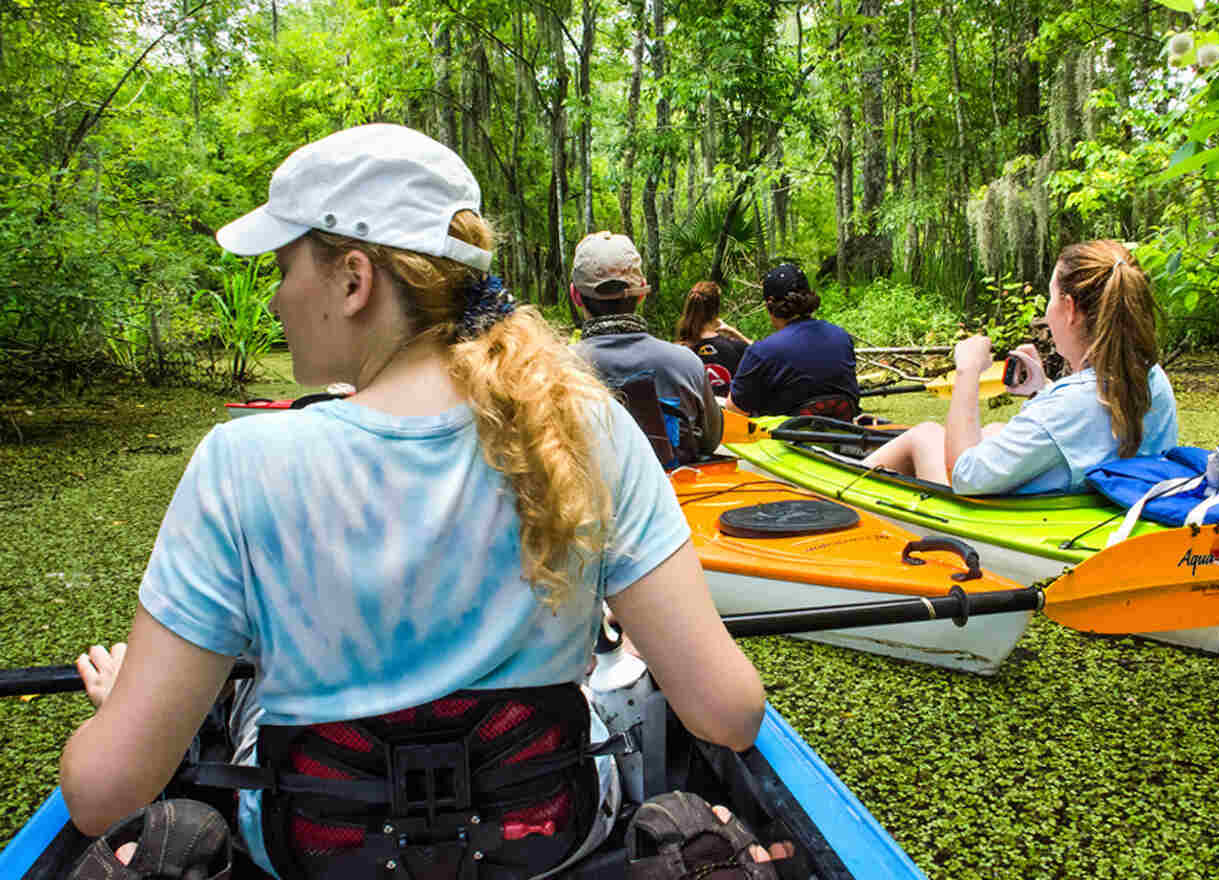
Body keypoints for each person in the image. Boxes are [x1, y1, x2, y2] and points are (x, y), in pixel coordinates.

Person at [58, 124, 768, 879]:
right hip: (548, 840)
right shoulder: (585, 429)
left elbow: (102, 796)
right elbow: (728, 713)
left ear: (352, 279)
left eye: (282, 268)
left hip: (313, 853)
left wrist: (120, 710)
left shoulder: (238, 465)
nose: (272, 301)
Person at [860, 239, 1179, 494]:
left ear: (1069, 309)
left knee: (925, 434)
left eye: (1050, 298)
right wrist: (1044, 390)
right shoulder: (1151, 377)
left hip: (1004, 523)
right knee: (995, 430)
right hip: (1093, 508)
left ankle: (838, 491)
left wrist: (967, 373)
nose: (1047, 311)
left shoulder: (1066, 408)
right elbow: (1089, 422)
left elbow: (964, 475)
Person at [570, 232, 723, 462]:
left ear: (576, 295)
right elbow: (711, 440)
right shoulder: (686, 363)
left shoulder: (551, 368)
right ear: (641, 292)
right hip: (673, 493)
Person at [727, 264, 859, 420]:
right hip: (844, 433)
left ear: (769, 304)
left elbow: (734, 410)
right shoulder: (842, 336)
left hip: (786, 441)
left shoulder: (762, 351)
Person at [674, 281, 751, 396]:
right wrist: (736, 334)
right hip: (728, 413)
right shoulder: (738, 348)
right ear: (716, 310)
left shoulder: (676, 351)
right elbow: (766, 358)